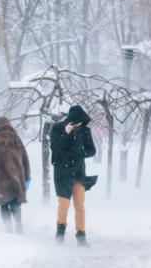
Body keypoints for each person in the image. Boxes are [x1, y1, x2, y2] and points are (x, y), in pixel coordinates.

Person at [50, 105, 97, 246]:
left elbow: (92, 150)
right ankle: (60, 232)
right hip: (62, 173)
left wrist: (81, 153)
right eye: (76, 122)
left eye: (80, 122)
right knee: (64, 204)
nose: (78, 124)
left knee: (80, 205)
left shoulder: (85, 131)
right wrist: (65, 134)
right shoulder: (58, 128)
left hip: (78, 172)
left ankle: (81, 236)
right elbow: (55, 149)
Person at [0, 117, 30, 234]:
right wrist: (27, 176)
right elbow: (25, 159)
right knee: (15, 203)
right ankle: (19, 226)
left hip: (1, 179)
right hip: (16, 177)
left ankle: (8, 229)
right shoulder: (16, 138)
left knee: (4, 204)